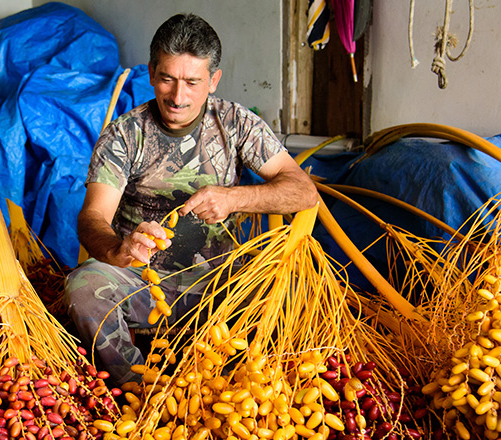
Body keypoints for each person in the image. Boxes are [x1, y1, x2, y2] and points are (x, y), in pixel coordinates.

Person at [64, 14, 318, 385]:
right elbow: (92, 217)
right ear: (151, 73)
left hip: (222, 285)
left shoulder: (236, 124)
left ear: (213, 80)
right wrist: (118, 249)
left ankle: (237, 387)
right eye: (167, 78)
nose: (178, 97)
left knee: (294, 286)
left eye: (192, 82)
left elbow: (303, 190)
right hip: (143, 284)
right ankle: (136, 388)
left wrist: (234, 199)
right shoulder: (126, 135)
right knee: (84, 286)